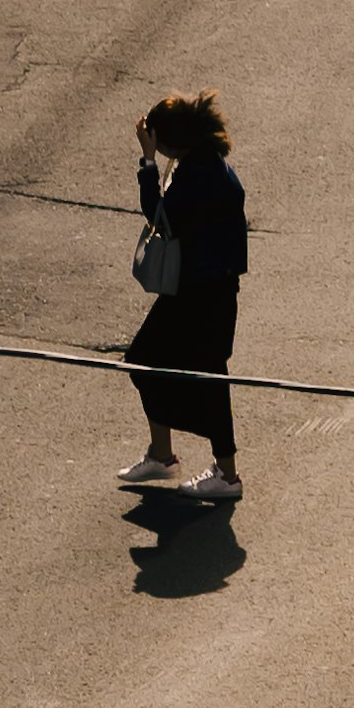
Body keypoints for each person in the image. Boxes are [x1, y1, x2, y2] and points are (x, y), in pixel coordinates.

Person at [122, 91, 248, 511]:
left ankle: (226, 475)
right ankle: (163, 454)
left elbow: (157, 214)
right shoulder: (207, 163)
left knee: (209, 380)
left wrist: (146, 161)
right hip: (203, 290)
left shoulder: (197, 177)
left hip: (202, 295)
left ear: (172, 141)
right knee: (149, 359)